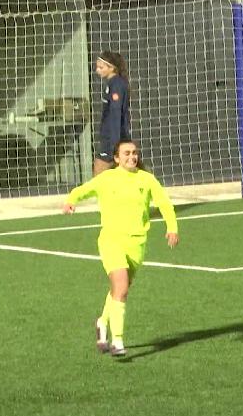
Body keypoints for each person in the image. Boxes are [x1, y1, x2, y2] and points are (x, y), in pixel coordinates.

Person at [63, 138, 179, 356]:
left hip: (137, 243)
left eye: (134, 153)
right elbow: (83, 190)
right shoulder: (107, 179)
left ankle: (102, 323)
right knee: (122, 287)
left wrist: (172, 227)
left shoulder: (147, 179)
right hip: (111, 240)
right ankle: (117, 341)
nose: (132, 157)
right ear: (116, 158)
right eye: (126, 153)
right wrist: (71, 200)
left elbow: (164, 203)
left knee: (119, 290)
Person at [93, 51, 131, 176]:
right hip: (111, 137)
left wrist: (115, 143)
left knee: (99, 173)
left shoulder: (117, 85)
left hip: (113, 138)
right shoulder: (111, 84)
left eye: (101, 67)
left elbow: (116, 114)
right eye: (97, 67)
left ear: (112, 68)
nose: (97, 70)